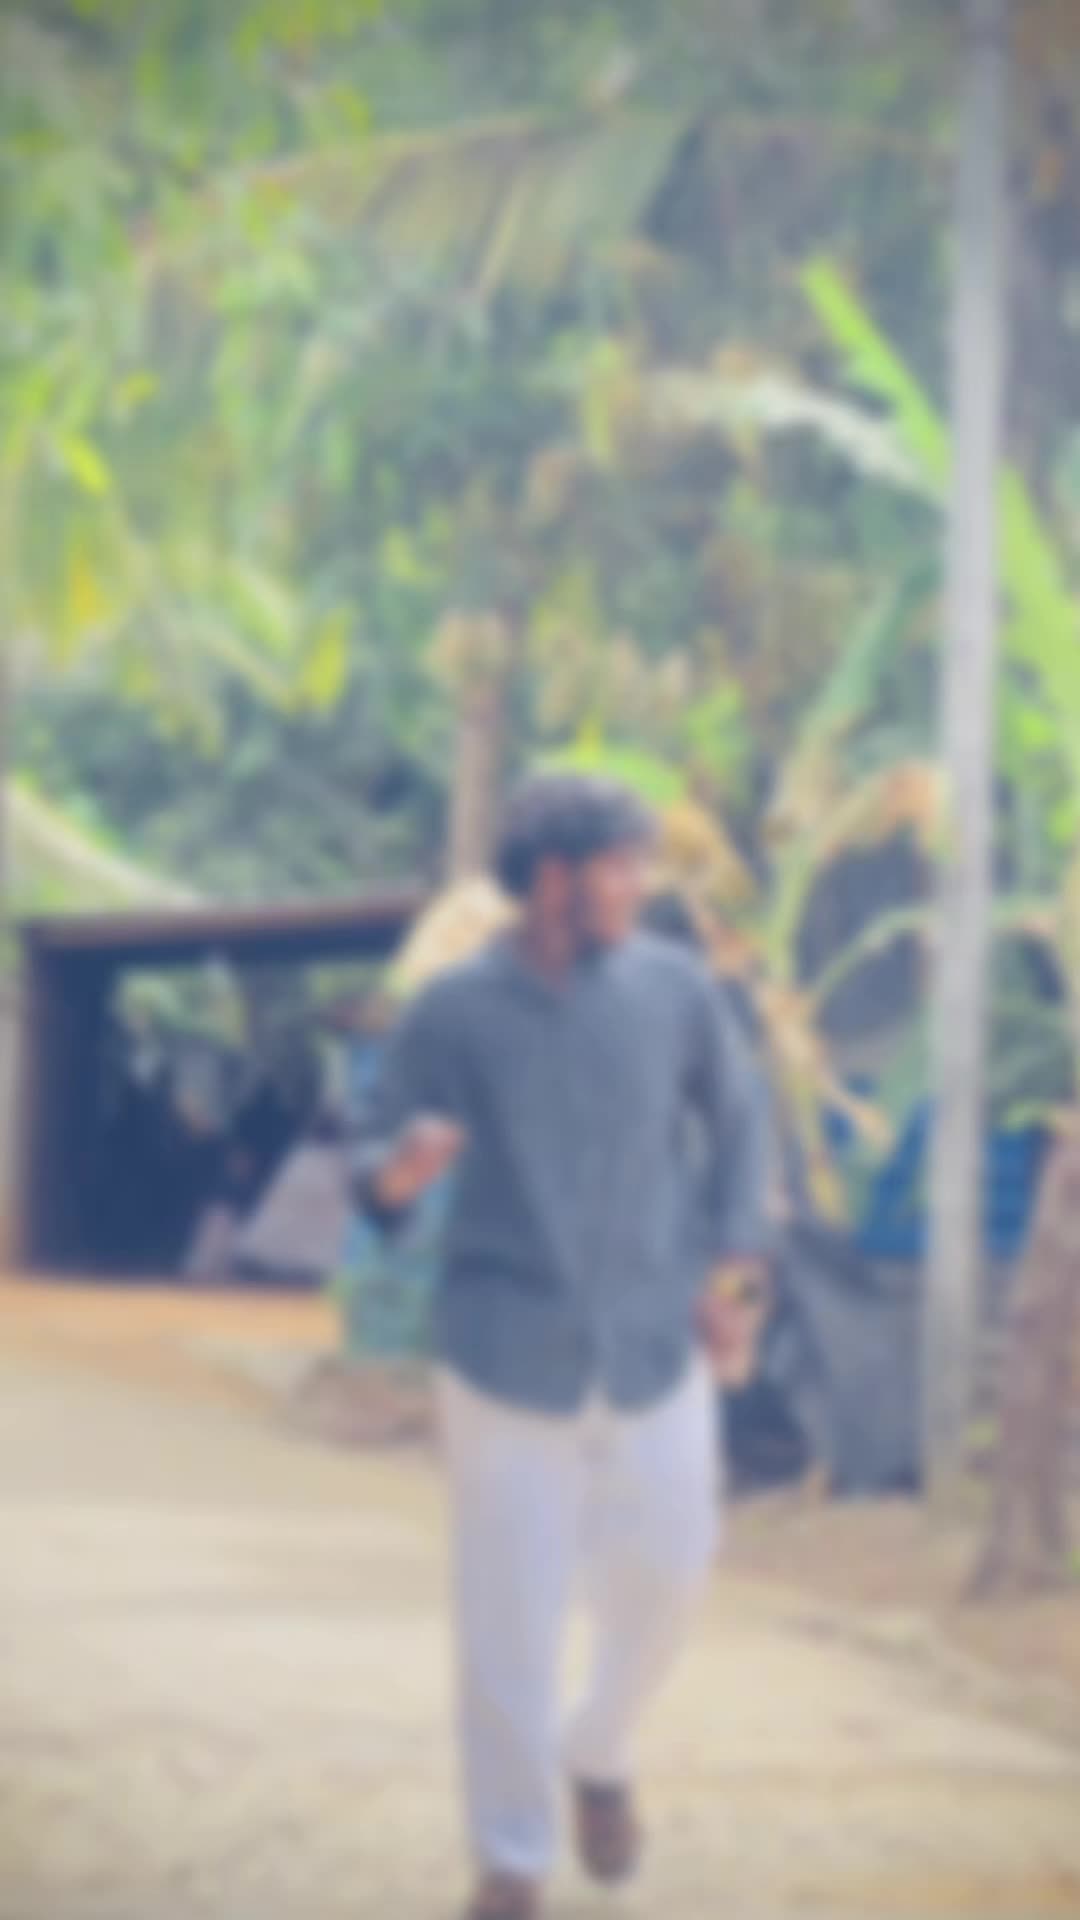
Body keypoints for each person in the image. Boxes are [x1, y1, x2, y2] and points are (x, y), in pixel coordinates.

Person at [351, 774, 771, 1920]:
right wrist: (399, 1174)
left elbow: (742, 1128)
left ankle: (599, 1747)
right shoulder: (452, 1012)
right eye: (620, 866)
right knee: (509, 1614)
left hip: (654, 1335)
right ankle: (513, 1858)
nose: (639, 886)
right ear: (553, 880)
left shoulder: (675, 990)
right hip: (504, 1344)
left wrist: (735, 1279)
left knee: (675, 1568)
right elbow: (373, 1154)